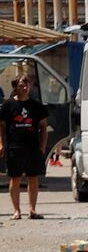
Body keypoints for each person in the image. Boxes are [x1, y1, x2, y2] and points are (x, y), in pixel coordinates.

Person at [0, 75, 50, 219]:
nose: (25, 88)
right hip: (14, 147)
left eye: (26, 85)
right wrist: (2, 144)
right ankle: (17, 210)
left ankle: (32, 209)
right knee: (15, 178)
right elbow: (2, 127)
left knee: (33, 178)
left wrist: (42, 146)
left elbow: (44, 126)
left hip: (32, 148)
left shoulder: (36, 106)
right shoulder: (8, 105)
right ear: (15, 87)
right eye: (21, 85)